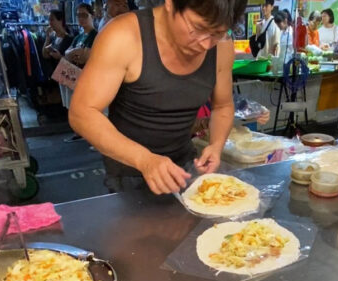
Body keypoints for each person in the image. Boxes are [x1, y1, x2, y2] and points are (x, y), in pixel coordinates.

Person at [69, 0, 247, 195]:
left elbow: (222, 106)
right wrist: (145, 160)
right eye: (198, 28)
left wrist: (216, 145)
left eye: (217, 33)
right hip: (129, 173)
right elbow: (82, 112)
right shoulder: (123, 36)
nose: (206, 43)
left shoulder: (221, 47)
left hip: (185, 167)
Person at [62, 3, 98, 143]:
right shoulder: (78, 37)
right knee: (74, 104)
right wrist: (75, 53)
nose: (81, 19)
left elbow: (86, 55)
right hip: (75, 75)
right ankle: (79, 130)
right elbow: (68, 53)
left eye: (84, 15)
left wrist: (76, 54)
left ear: (92, 16)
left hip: (88, 76)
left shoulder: (96, 35)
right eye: (79, 15)